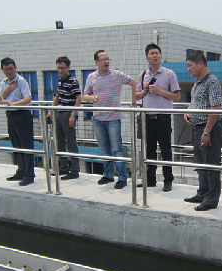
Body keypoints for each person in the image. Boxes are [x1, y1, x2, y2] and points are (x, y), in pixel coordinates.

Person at [83, 50, 137, 189]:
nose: (107, 61)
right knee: (104, 149)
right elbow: (85, 95)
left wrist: (134, 102)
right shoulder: (91, 77)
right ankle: (107, 175)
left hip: (113, 118)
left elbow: (134, 83)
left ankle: (122, 177)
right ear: (96, 62)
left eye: (108, 59)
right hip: (98, 118)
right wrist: (91, 98)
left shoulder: (116, 75)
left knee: (117, 148)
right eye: (103, 59)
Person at [134, 44, 181, 192]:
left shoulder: (169, 74)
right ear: (147, 58)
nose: (155, 56)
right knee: (150, 150)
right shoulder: (143, 75)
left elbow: (177, 96)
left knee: (166, 150)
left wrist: (159, 91)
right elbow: (136, 96)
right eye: (152, 53)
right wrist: (144, 91)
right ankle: (150, 179)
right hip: (147, 118)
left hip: (163, 117)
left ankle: (168, 180)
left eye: (157, 53)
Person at [183, 51, 222, 211]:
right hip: (197, 127)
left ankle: (211, 199)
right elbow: (195, 102)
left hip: (208, 128)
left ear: (200, 64)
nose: (188, 69)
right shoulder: (197, 83)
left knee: (211, 165)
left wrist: (207, 131)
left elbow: (215, 107)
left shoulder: (212, 82)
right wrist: (188, 111)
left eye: (190, 65)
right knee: (200, 164)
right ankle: (202, 193)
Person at [0, 57, 35, 186]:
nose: (9, 71)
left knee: (26, 146)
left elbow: (28, 98)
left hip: (22, 114)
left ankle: (29, 175)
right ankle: (21, 171)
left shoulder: (21, 81)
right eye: (6, 69)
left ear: (15, 68)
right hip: (10, 115)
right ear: (2, 69)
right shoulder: (3, 83)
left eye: (11, 68)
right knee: (16, 145)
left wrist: (13, 103)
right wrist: (7, 91)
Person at [47, 56, 81, 180]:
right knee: (59, 141)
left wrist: (73, 115)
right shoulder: (60, 80)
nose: (60, 70)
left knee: (71, 142)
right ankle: (64, 167)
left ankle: (75, 170)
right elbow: (57, 96)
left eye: (63, 68)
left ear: (68, 67)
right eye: (59, 68)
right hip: (60, 112)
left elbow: (78, 98)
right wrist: (51, 110)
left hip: (68, 112)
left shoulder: (73, 81)